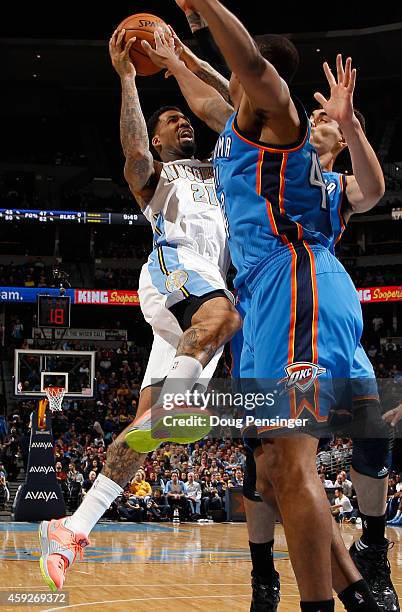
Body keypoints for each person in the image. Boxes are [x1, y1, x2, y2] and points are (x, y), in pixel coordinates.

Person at [141, 3, 385, 610]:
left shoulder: (285, 130)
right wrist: (174, 58)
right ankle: (354, 588)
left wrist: (204, 6)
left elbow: (246, 65)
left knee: (296, 454)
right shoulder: (236, 138)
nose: (322, 118)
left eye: (326, 117)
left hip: (296, 286)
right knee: (272, 464)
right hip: (265, 300)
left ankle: (337, 586)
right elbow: (210, 95)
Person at [38, 25, 241, 593]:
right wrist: (129, 77)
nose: (181, 120)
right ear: (158, 135)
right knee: (225, 319)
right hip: (178, 275)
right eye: (169, 118)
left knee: (145, 434)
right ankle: (179, 407)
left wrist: (181, 61)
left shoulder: (222, 173)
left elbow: (231, 107)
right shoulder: (161, 177)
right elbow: (132, 151)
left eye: (184, 116)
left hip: (191, 308)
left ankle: (71, 529)